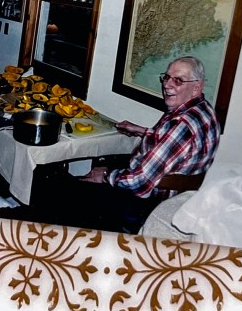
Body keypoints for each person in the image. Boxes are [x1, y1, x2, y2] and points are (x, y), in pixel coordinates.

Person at [60, 56, 221, 232]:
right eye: (166, 77)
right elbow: (176, 145)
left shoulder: (180, 124)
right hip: (173, 193)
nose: (167, 85)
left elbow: (140, 181)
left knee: (68, 191)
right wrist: (143, 131)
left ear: (197, 87)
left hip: (148, 202)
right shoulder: (203, 109)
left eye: (178, 80)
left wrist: (106, 175)